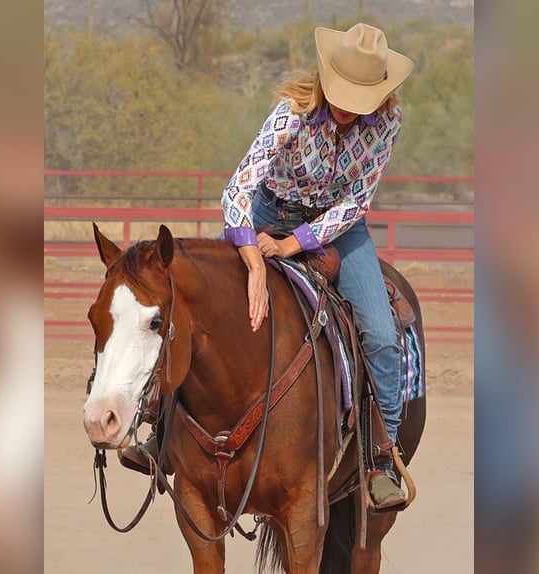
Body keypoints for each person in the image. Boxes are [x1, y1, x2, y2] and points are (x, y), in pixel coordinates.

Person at [221, 23, 413, 508]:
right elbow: (238, 188)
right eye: (344, 90)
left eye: (361, 95)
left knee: (380, 332)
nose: (349, 105)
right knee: (208, 305)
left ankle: (381, 455)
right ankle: (161, 427)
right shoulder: (292, 114)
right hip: (268, 212)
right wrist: (253, 256)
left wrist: (293, 245)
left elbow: (357, 201)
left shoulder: (386, 126)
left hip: (338, 227)